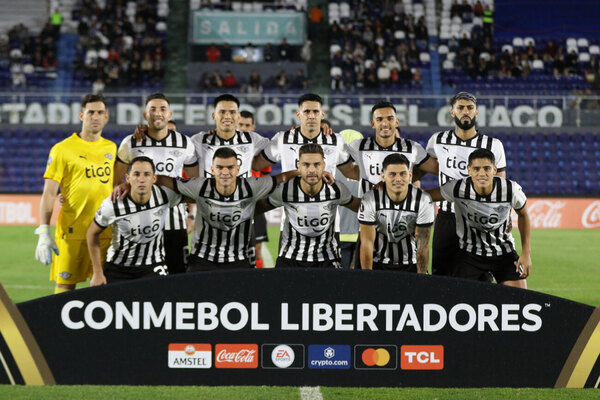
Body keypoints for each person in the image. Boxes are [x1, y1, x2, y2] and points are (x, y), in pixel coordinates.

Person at [154, 148, 298, 271]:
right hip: (202, 261)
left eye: (230, 167)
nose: (225, 172)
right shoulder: (200, 186)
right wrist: (139, 181)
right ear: (212, 170)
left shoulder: (251, 186)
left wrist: (308, 173)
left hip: (239, 261)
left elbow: (282, 177)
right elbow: (167, 181)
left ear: (237, 169)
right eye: (220, 167)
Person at [35, 94, 116, 293]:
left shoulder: (111, 148)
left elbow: (115, 187)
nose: (95, 117)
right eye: (91, 112)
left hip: (104, 232)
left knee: (103, 286)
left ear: (106, 117)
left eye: (100, 113)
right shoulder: (62, 149)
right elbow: (49, 193)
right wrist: (44, 230)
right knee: (65, 287)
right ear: (82, 115)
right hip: (72, 232)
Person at [113, 93, 199, 274]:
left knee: (177, 275)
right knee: (141, 276)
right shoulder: (131, 142)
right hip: (138, 223)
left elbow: (195, 184)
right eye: (152, 109)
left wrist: (191, 213)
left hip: (173, 221)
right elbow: (116, 180)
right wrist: (126, 186)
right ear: (145, 115)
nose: (157, 113)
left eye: (162, 109)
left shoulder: (185, 143)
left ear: (170, 114)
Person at [426, 92, 506, 277]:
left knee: (481, 277)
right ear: (452, 112)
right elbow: (419, 170)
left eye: (470, 108)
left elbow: (501, 186)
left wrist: (504, 216)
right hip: (447, 217)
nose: (465, 111)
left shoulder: (493, 145)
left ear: (476, 112)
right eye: (460, 107)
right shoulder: (437, 140)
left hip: (479, 219)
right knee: (441, 275)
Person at [428, 149, 531, 287]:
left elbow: (523, 214)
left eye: (487, 168)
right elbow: (426, 196)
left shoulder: (510, 189)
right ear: (469, 170)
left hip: (503, 252)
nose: (481, 173)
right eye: (476, 169)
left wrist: (526, 253)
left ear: (494, 170)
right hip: (470, 254)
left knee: (519, 299)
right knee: (460, 301)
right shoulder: (458, 188)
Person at [87, 157, 182, 285]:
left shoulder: (164, 195)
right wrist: (97, 273)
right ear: (128, 178)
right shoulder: (113, 204)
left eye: (147, 174)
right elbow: (92, 233)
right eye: (136, 174)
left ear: (154, 178)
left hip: (153, 265)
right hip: (118, 267)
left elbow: (193, 196)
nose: (141, 179)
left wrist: (191, 215)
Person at [264, 144, 361, 268]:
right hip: (290, 260)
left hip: (328, 260)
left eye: (317, 164)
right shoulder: (286, 190)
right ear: (299, 166)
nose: (311, 170)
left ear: (324, 166)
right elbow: (256, 208)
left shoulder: (336, 189)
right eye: (306, 164)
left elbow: (360, 207)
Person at [358, 154, 434, 273]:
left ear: (410, 175)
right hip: (379, 264)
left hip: (411, 265)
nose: (398, 179)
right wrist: (368, 276)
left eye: (403, 174)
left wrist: (422, 278)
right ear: (383, 176)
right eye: (392, 174)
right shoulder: (370, 199)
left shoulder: (423, 200)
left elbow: (423, 245)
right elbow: (367, 243)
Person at [252, 93, 356, 179]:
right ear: (298, 115)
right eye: (306, 111)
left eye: (316, 112)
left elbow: (351, 172)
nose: (311, 116)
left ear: (322, 114)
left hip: (325, 202)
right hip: (291, 202)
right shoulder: (282, 139)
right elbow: (256, 165)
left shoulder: (336, 140)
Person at [348, 101, 438, 196]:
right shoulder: (359, 146)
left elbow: (441, 170)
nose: (385, 124)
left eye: (390, 119)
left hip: (403, 210)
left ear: (397, 122)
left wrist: (426, 194)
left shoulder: (412, 148)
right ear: (373, 123)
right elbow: (341, 165)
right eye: (379, 119)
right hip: (369, 209)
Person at [238, 110, 272, 269]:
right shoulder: (228, 145)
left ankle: (257, 282)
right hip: (235, 204)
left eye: (247, 125)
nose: (243, 128)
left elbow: (266, 174)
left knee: (257, 249)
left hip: (256, 206)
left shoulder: (259, 147)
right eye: (241, 125)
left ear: (253, 127)